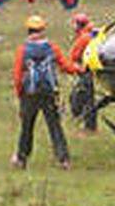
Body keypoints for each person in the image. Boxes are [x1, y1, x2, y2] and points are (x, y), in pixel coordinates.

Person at [10, 15, 80, 169]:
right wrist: (79, 69)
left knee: (27, 127)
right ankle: (63, 159)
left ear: (28, 30)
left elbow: (17, 75)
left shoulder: (22, 50)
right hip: (49, 92)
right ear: (42, 30)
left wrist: (19, 93)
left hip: (30, 93)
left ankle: (21, 159)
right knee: (55, 126)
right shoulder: (52, 47)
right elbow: (65, 66)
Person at [67, 12, 98, 132]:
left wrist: (72, 66)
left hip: (85, 71)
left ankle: (89, 127)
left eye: (74, 23)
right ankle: (87, 125)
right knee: (86, 99)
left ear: (78, 25)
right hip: (89, 70)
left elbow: (75, 56)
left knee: (82, 99)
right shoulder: (88, 35)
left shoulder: (83, 38)